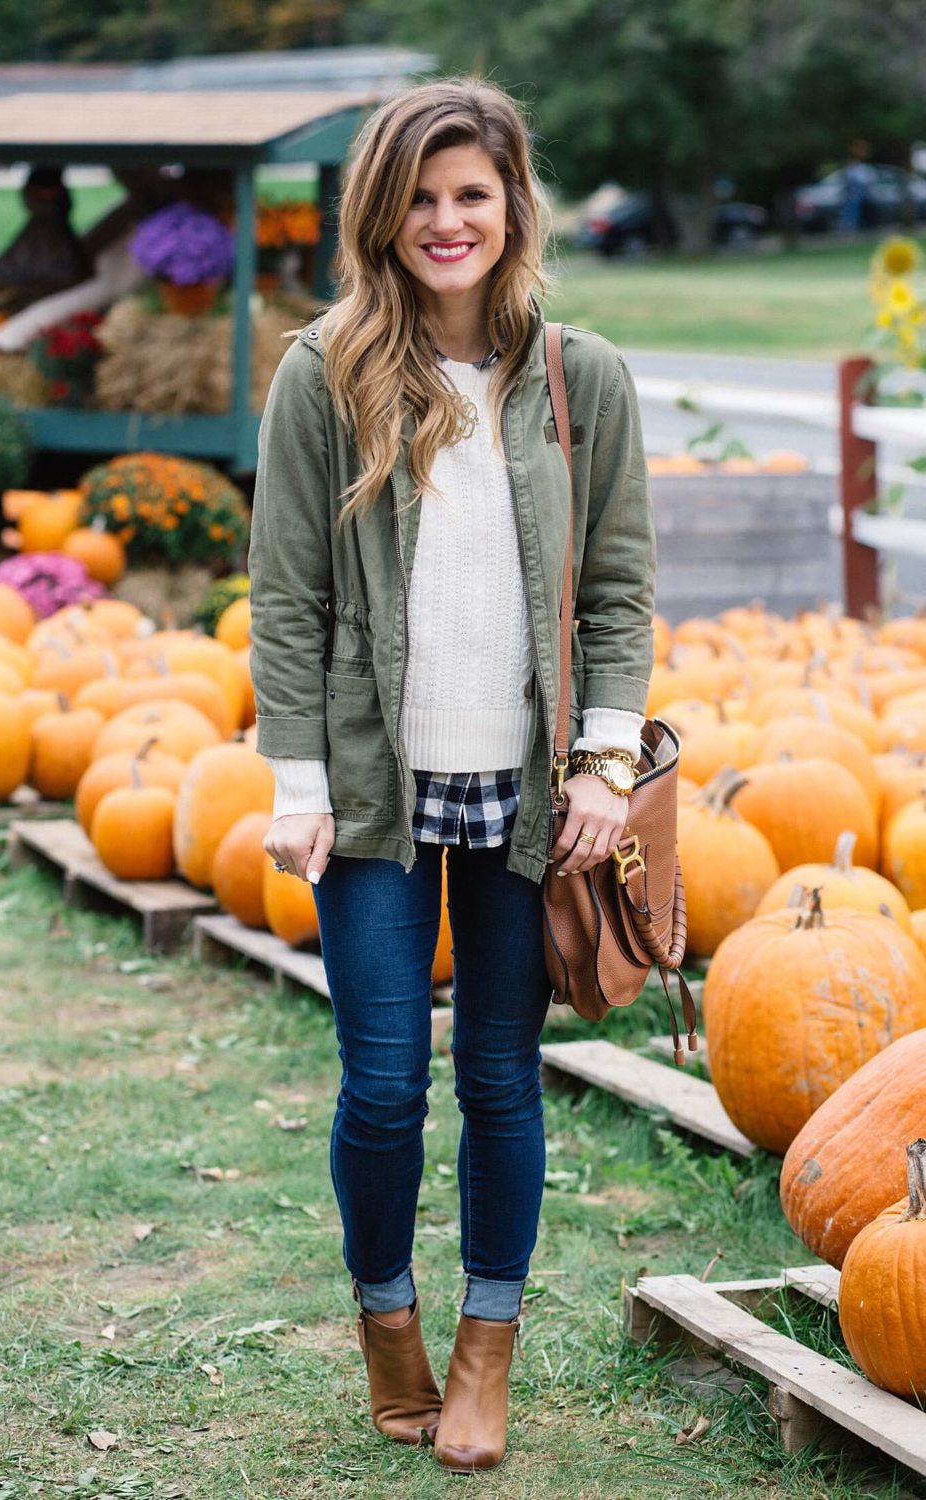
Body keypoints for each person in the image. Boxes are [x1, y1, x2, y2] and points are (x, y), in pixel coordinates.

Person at [248, 76, 655, 1473]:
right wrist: (296, 777)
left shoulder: (578, 378)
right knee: (378, 1086)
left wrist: (605, 760)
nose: (446, 221)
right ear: (382, 211)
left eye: (471, 194)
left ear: (513, 207)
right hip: (369, 793)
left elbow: (617, 592)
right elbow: (287, 598)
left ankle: (487, 1354)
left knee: (497, 1075)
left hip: (529, 794)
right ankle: (390, 1331)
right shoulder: (326, 372)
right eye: (419, 197)